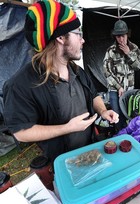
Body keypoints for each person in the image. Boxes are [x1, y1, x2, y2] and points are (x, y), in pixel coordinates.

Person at [3, 0, 119, 162]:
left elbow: (93, 95)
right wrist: (66, 128)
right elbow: (21, 132)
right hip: (61, 162)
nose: (82, 40)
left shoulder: (77, 71)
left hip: (91, 149)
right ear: (60, 38)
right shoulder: (21, 84)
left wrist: (103, 111)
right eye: (78, 33)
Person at [103, 20, 140, 131]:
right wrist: (118, 87)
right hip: (115, 90)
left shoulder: (134, 48)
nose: (121, 39)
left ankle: (128, 136)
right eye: (118, 36)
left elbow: (138, 66)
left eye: (123, 36)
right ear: (115, 37)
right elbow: (106, 71)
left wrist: (129, 54)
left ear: (127, 35)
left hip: (129, 90)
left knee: (129, 115)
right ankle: (119, 135)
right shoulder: (111, 51)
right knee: (116, 117)